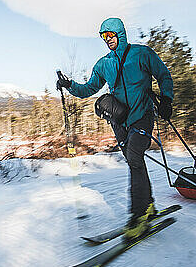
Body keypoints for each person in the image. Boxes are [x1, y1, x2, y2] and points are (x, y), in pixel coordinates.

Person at [56, 17, 174, 240]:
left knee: (135, 158)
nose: (107, 39)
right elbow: (88, 88)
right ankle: (147, 206)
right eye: (103, 36)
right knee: (134, 162)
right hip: (120, 121)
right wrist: (69, 85)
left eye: (110, 35)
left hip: (142, 116)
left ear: (120, 33)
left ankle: (139, 217)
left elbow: (163, 75)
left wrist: (166, 100)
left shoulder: (142, 54)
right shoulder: (103, 64)